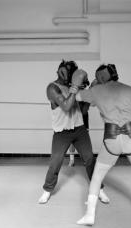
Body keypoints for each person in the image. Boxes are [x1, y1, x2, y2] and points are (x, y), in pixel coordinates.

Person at [74, 64, 131, 226]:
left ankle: (90, 215)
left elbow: (76, 97)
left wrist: (93, 86)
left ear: (100, 77)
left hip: (111, 139)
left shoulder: (96, 91)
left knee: (96, 178)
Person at [38, 60, 109, 204]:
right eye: (65, 70)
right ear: (58, 70)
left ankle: (99, 189)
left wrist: (89, 92)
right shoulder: (52, 88)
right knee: (56, 162)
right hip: (61, 132)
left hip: (79, 129)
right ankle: (47, 190)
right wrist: (76, 86)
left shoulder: (73, 87)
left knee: (90, 159)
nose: (66, 75)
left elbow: (82, 110)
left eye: (70, 73)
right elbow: (66, 106)